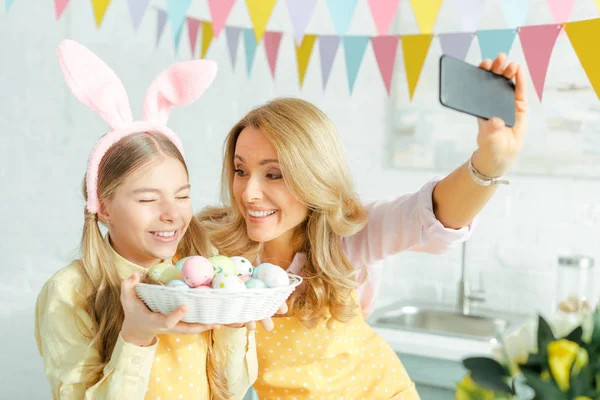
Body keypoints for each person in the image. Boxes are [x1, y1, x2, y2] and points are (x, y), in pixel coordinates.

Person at [198, 53, 528, 398]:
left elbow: (430, 216)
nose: (249, 193)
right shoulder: (215, 250)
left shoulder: (350, 235)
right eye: (240, 171)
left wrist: (492, 161)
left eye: (273, 174)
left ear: (313, 177)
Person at [35, 40, 258, 399]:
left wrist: (234, 321)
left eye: (182, 195)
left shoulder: (200, 275)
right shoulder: (70, 293)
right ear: (104, 208)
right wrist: (135, 337)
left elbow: (230, 391)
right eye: (148, 199)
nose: (172, 214)